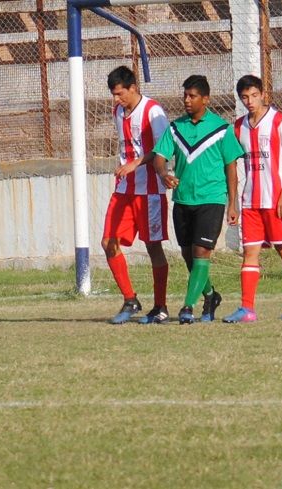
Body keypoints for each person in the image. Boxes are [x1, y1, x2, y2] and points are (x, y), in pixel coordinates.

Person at [151, 75, 244, 324]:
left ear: (206, 99)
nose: (187, 100)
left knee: (201, 251)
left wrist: (232, 203)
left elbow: (231, 168)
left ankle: (188, 306)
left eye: (192, 96)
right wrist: (164, 174)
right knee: (188, 255)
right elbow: (159, 157)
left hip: (211, 199)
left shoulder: (222, 129)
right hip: (183, 200)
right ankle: (211, 296)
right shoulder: (175, 127)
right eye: (185, 95)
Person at [222, 75, 282, 323]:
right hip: (251, 202)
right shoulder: (238, 127)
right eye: (245, 97)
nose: (250, 101)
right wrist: (232, 202)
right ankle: (247, 309)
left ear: (263, 94)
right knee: (249, 252)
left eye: (254, 95)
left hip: (276, 201)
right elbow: (230, 163)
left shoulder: (279, 122)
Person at [103, 66, 171, 324]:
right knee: (108, 242)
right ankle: (130, 299)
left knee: (153, 247)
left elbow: (165, 147)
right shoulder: (118, 112)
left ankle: (161, 306)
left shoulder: (152, 111)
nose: (116, 99)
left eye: (120, 93)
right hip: (124, 190)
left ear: (133, 88)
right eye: (113, 94)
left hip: (149, 191)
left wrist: (136, 163)